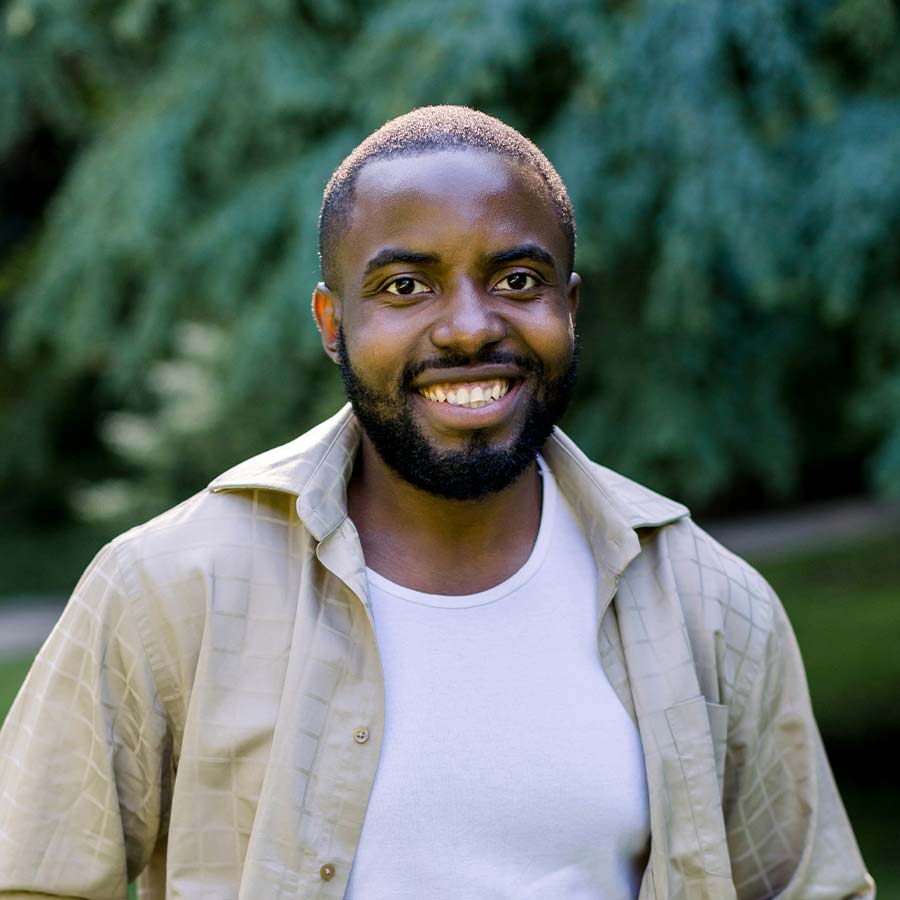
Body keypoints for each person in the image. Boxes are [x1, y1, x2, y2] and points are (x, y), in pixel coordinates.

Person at [0, 106, 873, 900]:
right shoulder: (166, 590)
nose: (467, 328)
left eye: (519, 280)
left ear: (570, 310)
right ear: (332, 323)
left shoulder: (713, 607)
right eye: (406, 287)